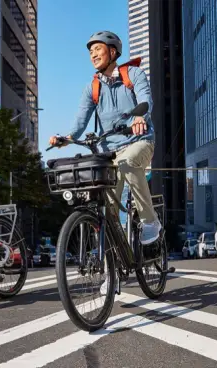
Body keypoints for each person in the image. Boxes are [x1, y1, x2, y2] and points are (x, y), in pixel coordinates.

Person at [49, 31, 161, 294]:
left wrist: (139, 117)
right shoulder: (92, 86)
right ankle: (112, 271)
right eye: (90, 52)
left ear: (112, 51)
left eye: (98, 49)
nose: (93, 55)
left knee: (129, 163)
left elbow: (146, 99)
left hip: (139, 141)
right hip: (108, 150)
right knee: (105, 209)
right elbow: (79, 121)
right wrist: (66, 138)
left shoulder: (132, 75)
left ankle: (149, 221)